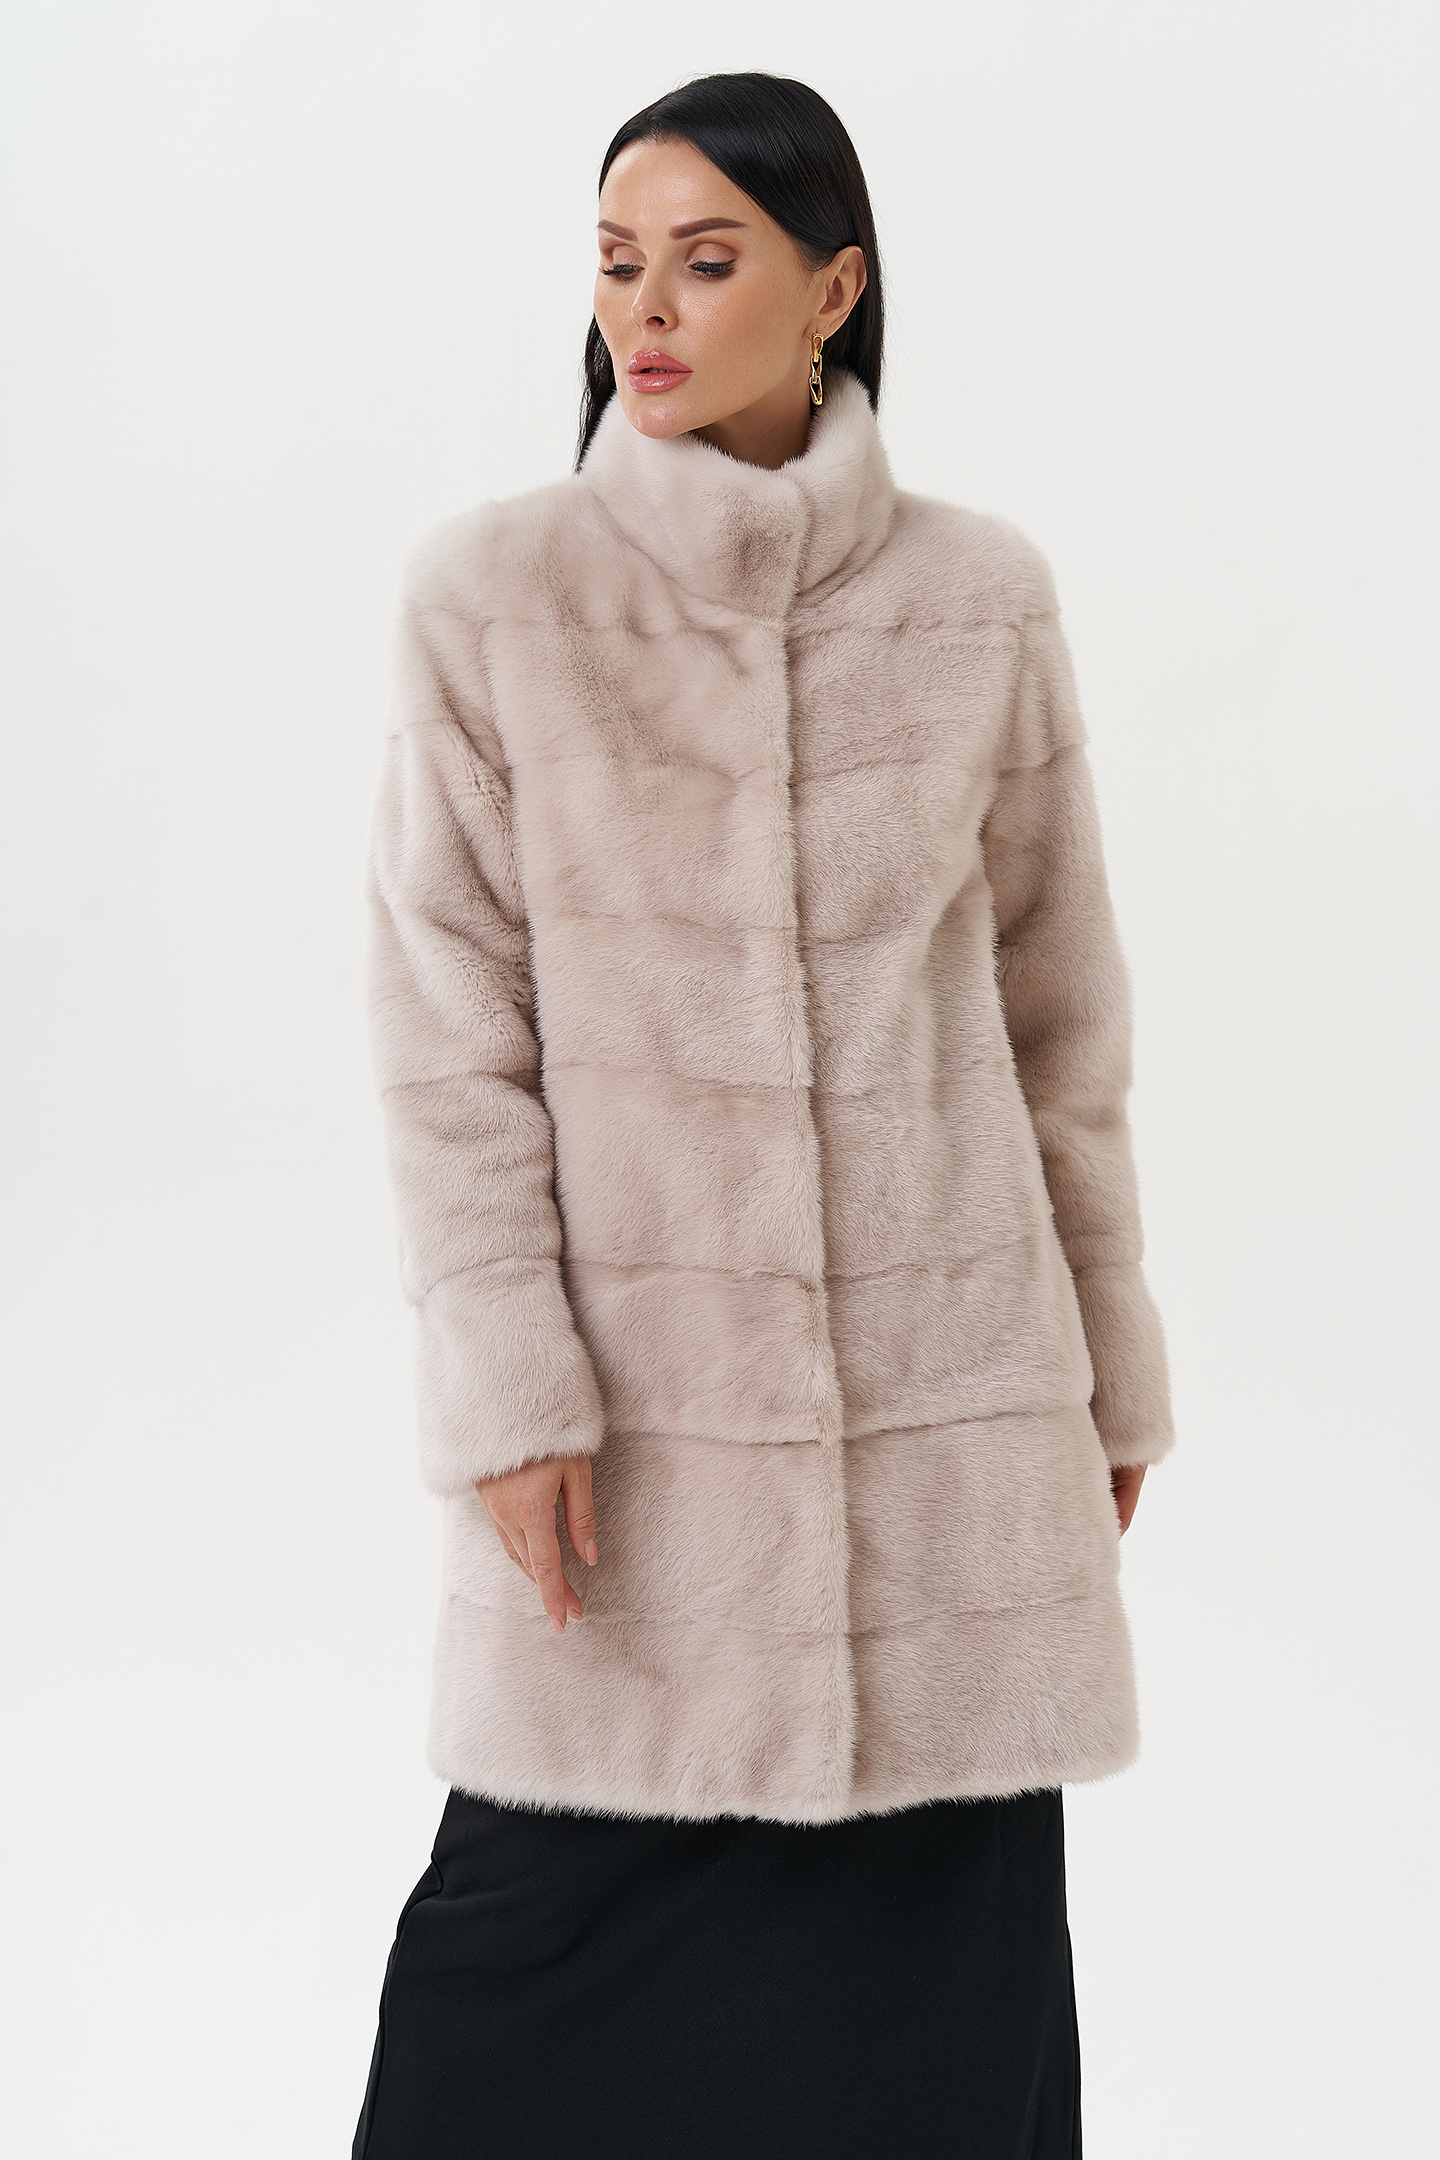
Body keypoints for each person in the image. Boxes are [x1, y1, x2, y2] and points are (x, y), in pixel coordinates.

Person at [352, 70, 1173, 2160]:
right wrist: (510, 1384)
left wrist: (1107, 1376)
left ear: (834, 291)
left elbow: (1060, 1024)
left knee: (930, 2037)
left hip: (949, 1432)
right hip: (642, 1446)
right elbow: (451, 1041)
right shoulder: (496, 603)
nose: (647, 307)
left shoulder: (980, 601)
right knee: (501, 2009)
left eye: (707, 261)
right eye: (618, 262)